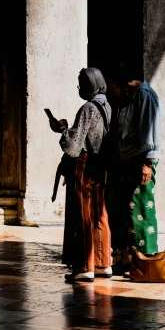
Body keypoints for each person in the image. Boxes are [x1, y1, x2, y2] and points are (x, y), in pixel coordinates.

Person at [49, 67, 112, 282]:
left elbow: (74, 144)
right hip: (101, 163)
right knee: (99, 211)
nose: (80, 88)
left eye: (81, 84)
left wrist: (62, 131)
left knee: (83, 212)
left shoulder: (88, 108)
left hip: (85, 164)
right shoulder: (106, 105)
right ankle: (103, 262)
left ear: (90, 85)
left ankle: (85, 266)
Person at [104, 62, 165, 276]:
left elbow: (151, 129)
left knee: (141, 211)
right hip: (127, 161)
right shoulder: (128, 98)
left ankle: (145, 263)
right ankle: (128, 260)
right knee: (127, 213)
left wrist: (148, 163)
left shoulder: (145, 95)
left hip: (140, 160)